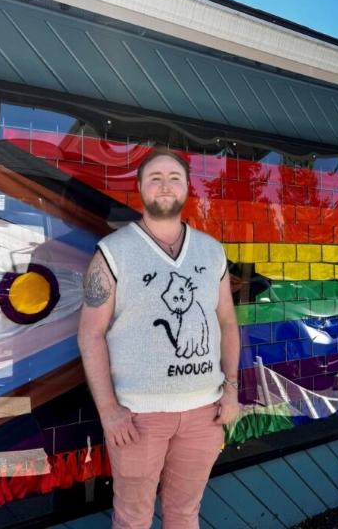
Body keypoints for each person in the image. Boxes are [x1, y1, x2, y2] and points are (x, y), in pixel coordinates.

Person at [78, 146, 241, 529]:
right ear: (139, 188)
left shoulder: (210, 251)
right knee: (132, 519)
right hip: (138, 418)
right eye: (155, 178)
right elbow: (90, 335)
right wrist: (109, 411)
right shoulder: (113, 253)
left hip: (206, 412)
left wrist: (231, 388)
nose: (165, 186)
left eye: (174, 178)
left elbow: (228, 324)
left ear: (187, 188)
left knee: (185, 513)